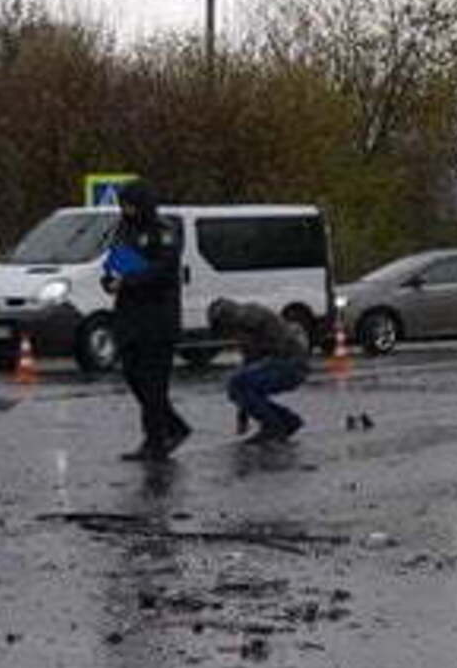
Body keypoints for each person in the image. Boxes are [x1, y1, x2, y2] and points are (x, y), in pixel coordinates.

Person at [105, 181, 191, 461]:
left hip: (157, 318)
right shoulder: (124, 229)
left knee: (154, 384)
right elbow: (116, 262)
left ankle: (155, 440)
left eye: (130, 204)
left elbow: (163, 271)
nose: (126, 210)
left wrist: (129, 280)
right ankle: (174, 426)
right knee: (133, 375)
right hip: (130, 317)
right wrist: (110, 279)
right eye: (123, 205)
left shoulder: (163, 230)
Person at [208, 298, 310, 444]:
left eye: (222, 328)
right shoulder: (246, 320)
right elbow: (248, 368)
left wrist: (243, 415)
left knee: (236, 382)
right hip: (291, 364)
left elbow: (274, 350)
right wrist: (242, 415)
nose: (225, 334)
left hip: (290, 365)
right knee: (239, 384)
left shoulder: (248, 320)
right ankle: (286, 420)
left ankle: (274, 426)